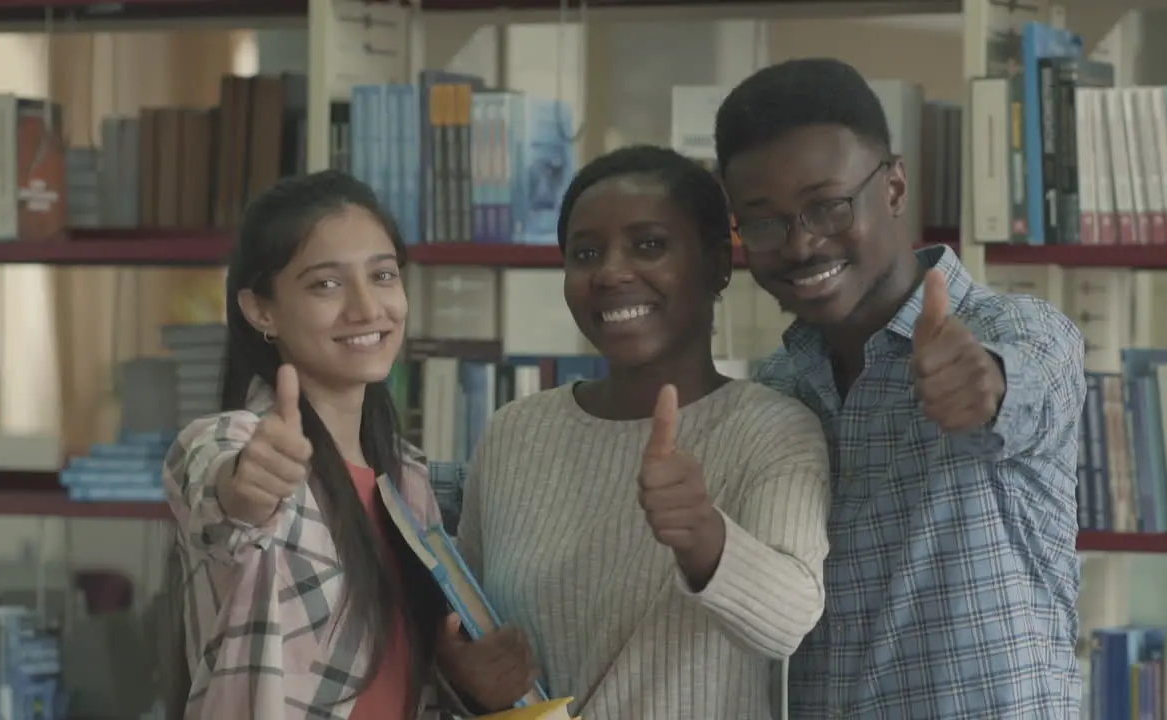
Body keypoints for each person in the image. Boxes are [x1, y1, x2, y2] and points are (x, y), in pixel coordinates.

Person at [713, 58, 1086, 718]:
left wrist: (986, 385)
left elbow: (1029, 386)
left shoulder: (1017, 329)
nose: (800, 245)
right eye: (765, 222)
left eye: (827, 206)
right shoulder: (777, 391)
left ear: (893, 187)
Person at [455, 145, 832, 720]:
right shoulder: (514, 433)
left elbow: (788, 625)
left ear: (717, 264)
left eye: (649, 245)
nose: (610, 272)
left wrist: (703, 535)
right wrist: (465, 681)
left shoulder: (773, 429)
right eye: (585, 253)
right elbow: (469, 625)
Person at [161, 170, 536, 719]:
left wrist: (462, 678)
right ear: (261, 310)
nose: (366, 308)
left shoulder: (410, 484)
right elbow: (221, 498)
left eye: (383, 276)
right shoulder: (227, 440)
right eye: (326, 285)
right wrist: (245, 487)